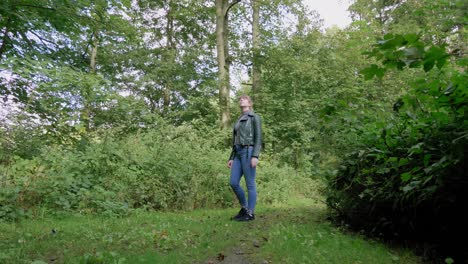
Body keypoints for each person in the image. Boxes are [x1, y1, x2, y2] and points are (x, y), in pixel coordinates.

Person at [227, 95, 262, 222]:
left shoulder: (254, 117)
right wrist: (231, 157)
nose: (241, 100)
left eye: (244, 98)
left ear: (249, 103)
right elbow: (235, 140)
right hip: (238, 153)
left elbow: (258, 138)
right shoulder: (239, 119)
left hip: (249, 151)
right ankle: (244, 208)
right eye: (240, 99)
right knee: (233, 182)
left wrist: (255, 155)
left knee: (250, 184)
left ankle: (250, 213)